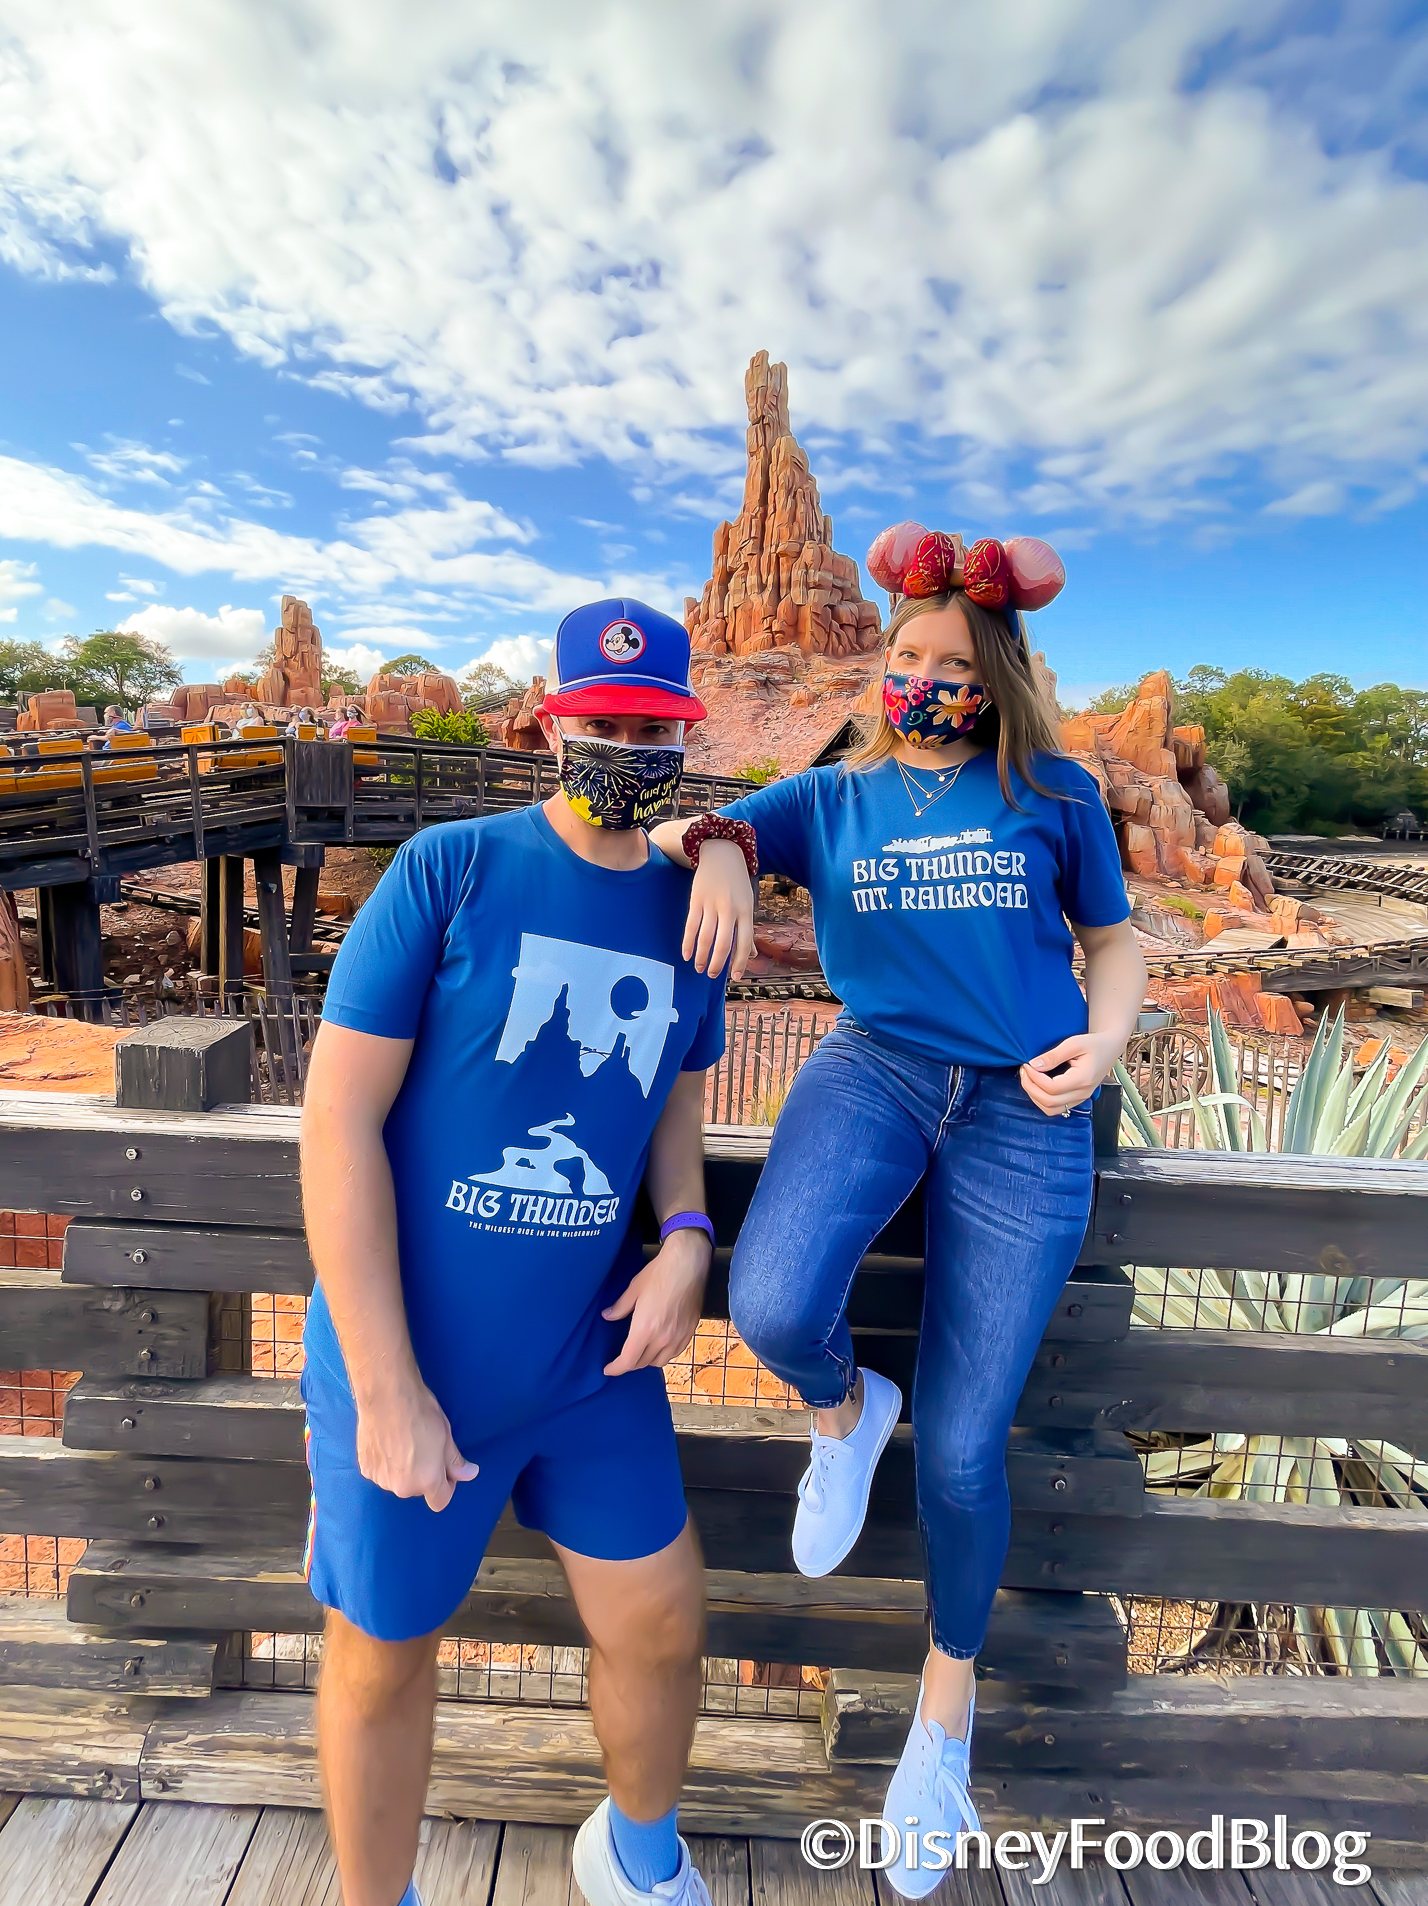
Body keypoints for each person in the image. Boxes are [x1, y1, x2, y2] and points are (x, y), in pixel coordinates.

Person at [651, 525, 1145, 1895]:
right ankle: (843, 1409)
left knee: (969, 1449)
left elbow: (1114, 944)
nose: (930, 680)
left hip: (1025, 1106)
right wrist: (724, 851)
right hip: (876, 1067)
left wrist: (1106, 1044)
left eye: (959, 665)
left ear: (1000, 677)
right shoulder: (837, 794)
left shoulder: (1053, 790)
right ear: (884, 661)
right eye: (910, 656)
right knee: (773, 1304)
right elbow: (700, 822)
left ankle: (942, 1722)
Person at [299, 596, 748, 1906]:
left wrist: (686, 1235)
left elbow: (673, 1093)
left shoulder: (692, 912)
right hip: (416, 1357)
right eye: (604, 722)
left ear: (684, 735)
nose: (630, 748)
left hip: (587, 1361)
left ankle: (639, 1858)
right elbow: (337, 1121)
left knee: (661, 1622)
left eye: (655, 729)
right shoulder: (450, 871)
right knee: (383, 1652)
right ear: (553, 725)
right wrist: (385, 1388)